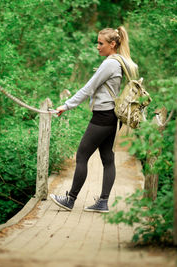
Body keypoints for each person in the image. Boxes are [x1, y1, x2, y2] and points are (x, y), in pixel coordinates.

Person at [49, 26, 138, 213]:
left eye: (101, 43)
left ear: (112, 44)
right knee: (107, 158)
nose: (97, 46)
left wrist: (66, 106)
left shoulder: (110, 63)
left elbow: (88, 88)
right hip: (111, 117)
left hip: (102, 116)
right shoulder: (120, 61)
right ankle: (103, 202)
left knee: (82, 156)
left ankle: (70, 199)